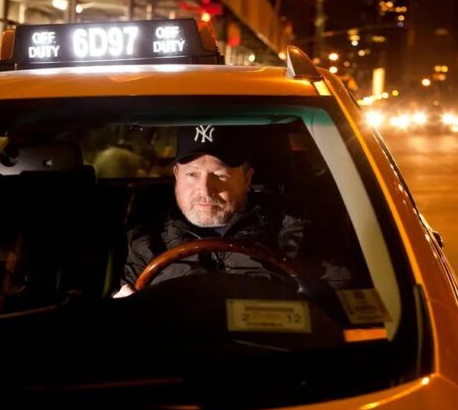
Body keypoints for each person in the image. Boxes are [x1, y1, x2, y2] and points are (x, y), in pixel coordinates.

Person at [115, 125, 348, 298]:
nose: (205, 189)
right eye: (192, 174)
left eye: (220, 175)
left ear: (247, 179)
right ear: (177, 176)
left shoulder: (296, 232)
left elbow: (336, 302)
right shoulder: (147, 239)